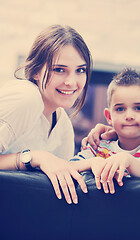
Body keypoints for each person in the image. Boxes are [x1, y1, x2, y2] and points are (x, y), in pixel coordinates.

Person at [0, 24, 92, 205]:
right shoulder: (26, 97)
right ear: (35, 71)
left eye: (80, 70)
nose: (71, 82)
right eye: (59, 69)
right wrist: (34, 157)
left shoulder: (63, 122)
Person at [70, 68, 140, 194]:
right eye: (120, 109)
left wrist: (129, 162)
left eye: (138, 108)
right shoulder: (99, 146)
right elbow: (68, 167)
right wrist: (93, 162)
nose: (129, 115)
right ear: (109, 117)